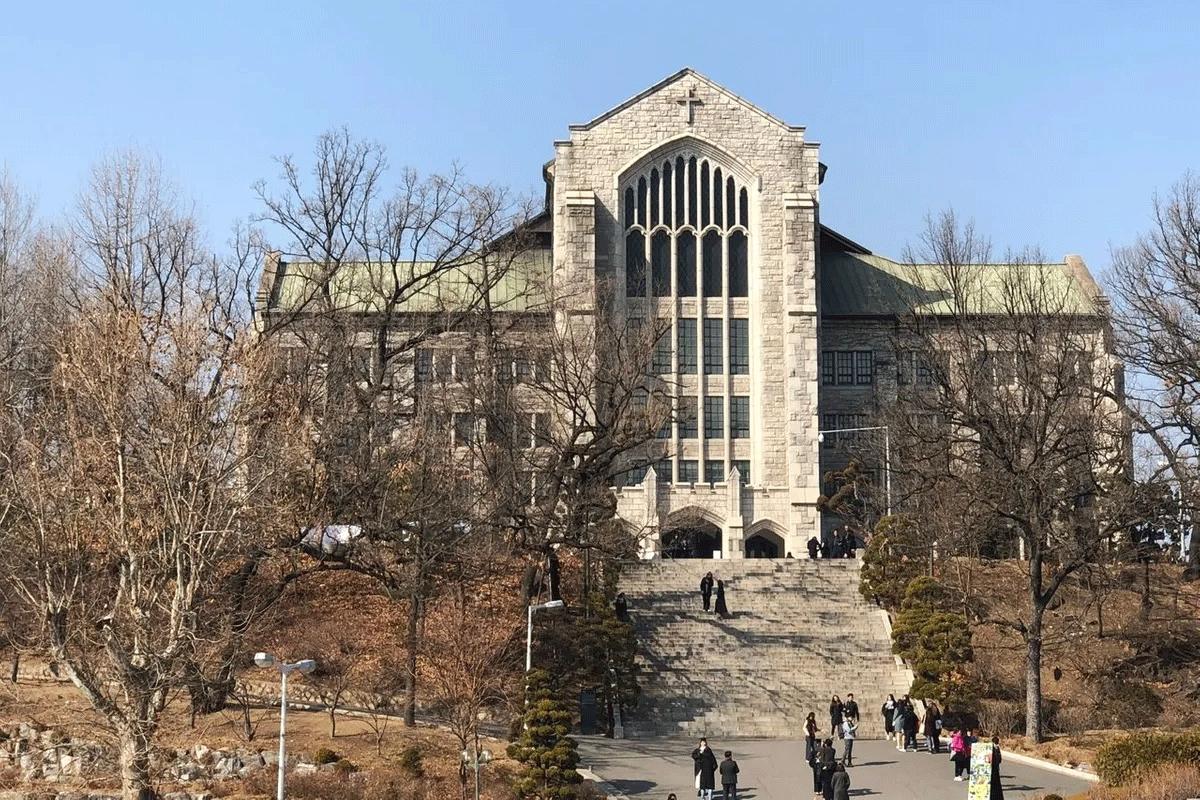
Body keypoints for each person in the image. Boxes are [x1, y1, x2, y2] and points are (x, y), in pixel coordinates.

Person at [989, 735, 1004, 800]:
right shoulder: (996, 749)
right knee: (995, 783)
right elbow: (999, 759)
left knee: (993, 783)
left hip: (992, 768)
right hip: (995, 768)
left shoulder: (991, 748)